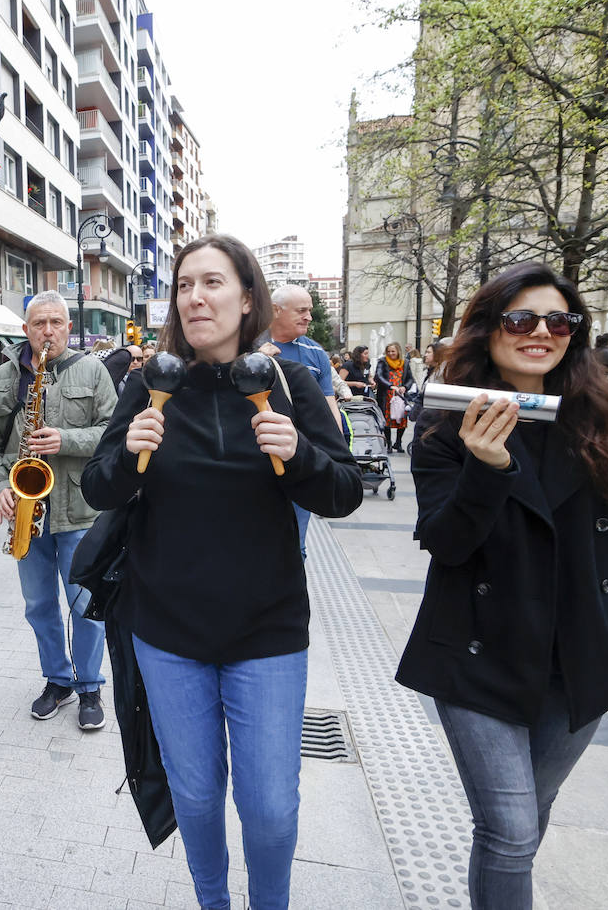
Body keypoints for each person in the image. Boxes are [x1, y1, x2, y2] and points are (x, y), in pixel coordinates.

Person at [83, 235, 363, 910]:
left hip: (265, 629)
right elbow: (97, 488)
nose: (196, 297)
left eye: (212, 283)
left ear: (246, 298)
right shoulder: (150, 384)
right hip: (166, 628)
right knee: (198, 796)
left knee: (269, 807)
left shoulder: (289, 384)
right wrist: (128, 456)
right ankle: (214, 903)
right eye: (185, 285)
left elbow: (345, 492)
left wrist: (299, 455)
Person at [396, 262, 608, 910]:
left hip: (578, 663)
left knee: (524, 820)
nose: (540, 331)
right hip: (480, 658)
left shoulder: (601, 423)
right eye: (520, 318)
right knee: (511, 832)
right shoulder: (444, 430)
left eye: (559, 320)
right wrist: (488, 468)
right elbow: (446, 542)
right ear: (489, 330)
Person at [0, 292, 117, 730]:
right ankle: (58, 679)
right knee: (39, 605)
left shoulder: (93, 370)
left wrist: (66, 441)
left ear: (68, 327)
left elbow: (114, 432)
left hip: (79, 511)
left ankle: (91, 684)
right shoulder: (3, 377)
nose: (48, 331)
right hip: (27, 513)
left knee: (85, 604)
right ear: (26, 329)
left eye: (56, 322)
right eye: (39, 323)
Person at [258, 284, 341, 558]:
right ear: (276, 311)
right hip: (257, 461)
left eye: (310, 310)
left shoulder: (315, 352)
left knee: (296, 546)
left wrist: (339, 457)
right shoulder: (249, 346)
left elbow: (329, 404)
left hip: (299, 457)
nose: (309, 317)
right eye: (302, 310)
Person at [373, 341, 416, 452]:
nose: (391, 353)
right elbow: (378, 376)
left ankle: (398, 442)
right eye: (389, 351)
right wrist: (390, 386)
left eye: (393, 351)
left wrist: (405, 387)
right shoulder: (382, 362)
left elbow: (410, 378)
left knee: (402, 420)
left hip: (400, 395)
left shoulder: (405, 363)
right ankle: (388, 443)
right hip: (386, 395)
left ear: (398, 351)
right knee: (387, 421)